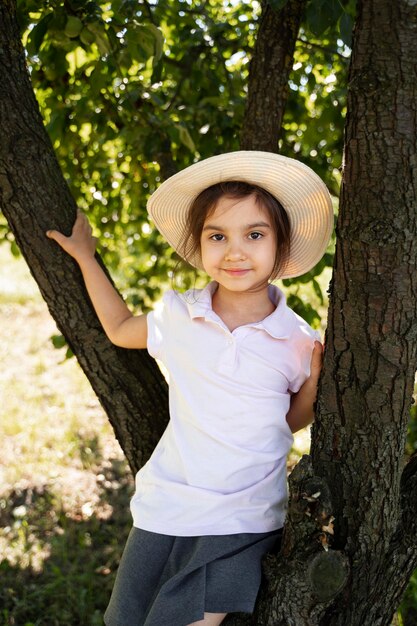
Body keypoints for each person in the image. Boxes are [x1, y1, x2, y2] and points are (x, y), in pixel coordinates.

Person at [46, 151, 333, 626]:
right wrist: (85, 257)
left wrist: (315, 387)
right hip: (168, 507)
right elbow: (119, 328)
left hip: (245, 519)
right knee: (126, 619)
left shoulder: (297, 339)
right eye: (217, 236)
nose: (235, 251)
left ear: (281, 247)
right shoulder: (180, 315)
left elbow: (287, 421)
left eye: (254, 235)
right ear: (199, 245)